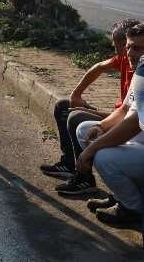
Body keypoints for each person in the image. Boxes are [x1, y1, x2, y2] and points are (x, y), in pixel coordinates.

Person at [40, 18, 140, 196]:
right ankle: (70, 163)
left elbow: (132, 118)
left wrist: (91, 114)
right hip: (121, 117)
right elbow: (99, 68)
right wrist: (76, 94)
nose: (124, 54)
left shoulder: (139, 71)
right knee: (64, 106)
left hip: (130, 127)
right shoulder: (128, 60)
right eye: (124, 48)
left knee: (76, 118)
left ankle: (84, 178)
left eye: (134, 48)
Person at [75, 24, 144, 226]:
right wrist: (102, 127)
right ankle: (120, 196)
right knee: (85, 130)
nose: (130, 53)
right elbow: (124, 110)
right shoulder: (140, 70)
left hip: (139, 140)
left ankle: (132, 209)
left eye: (139, 49)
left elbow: (133, 124)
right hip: (137, 142)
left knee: (104, 158)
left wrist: (92, 150)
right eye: (130, 46)